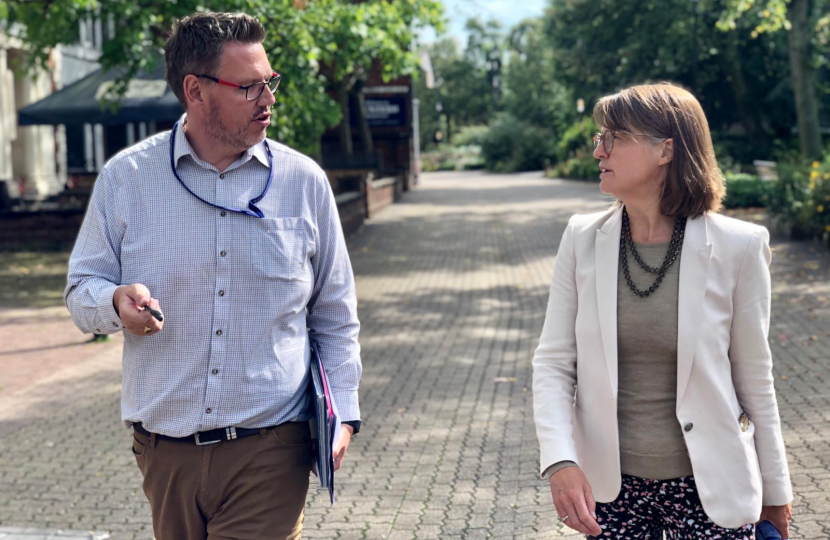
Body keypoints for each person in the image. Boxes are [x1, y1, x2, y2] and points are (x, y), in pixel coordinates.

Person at [64, 12, 362, 540]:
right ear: (195, 90)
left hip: (272, 448)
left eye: (269, 82)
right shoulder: (127, 179)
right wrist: (115, 302)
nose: (268, 99)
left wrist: (344, 411)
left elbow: (334, 314)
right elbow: (81, 287)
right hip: (164, 454)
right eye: (248, 87)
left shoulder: (303, 183)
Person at [532, 83, 793, 539]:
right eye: (599, 137)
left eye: (614, 136)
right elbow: (554, 362)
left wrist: (777, 493)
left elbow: (755, 379)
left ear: (665, 151)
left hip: (710, 494)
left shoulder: (739, 247)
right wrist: (560, 459)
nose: (598, 150)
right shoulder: (581, 238)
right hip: (612, 496)